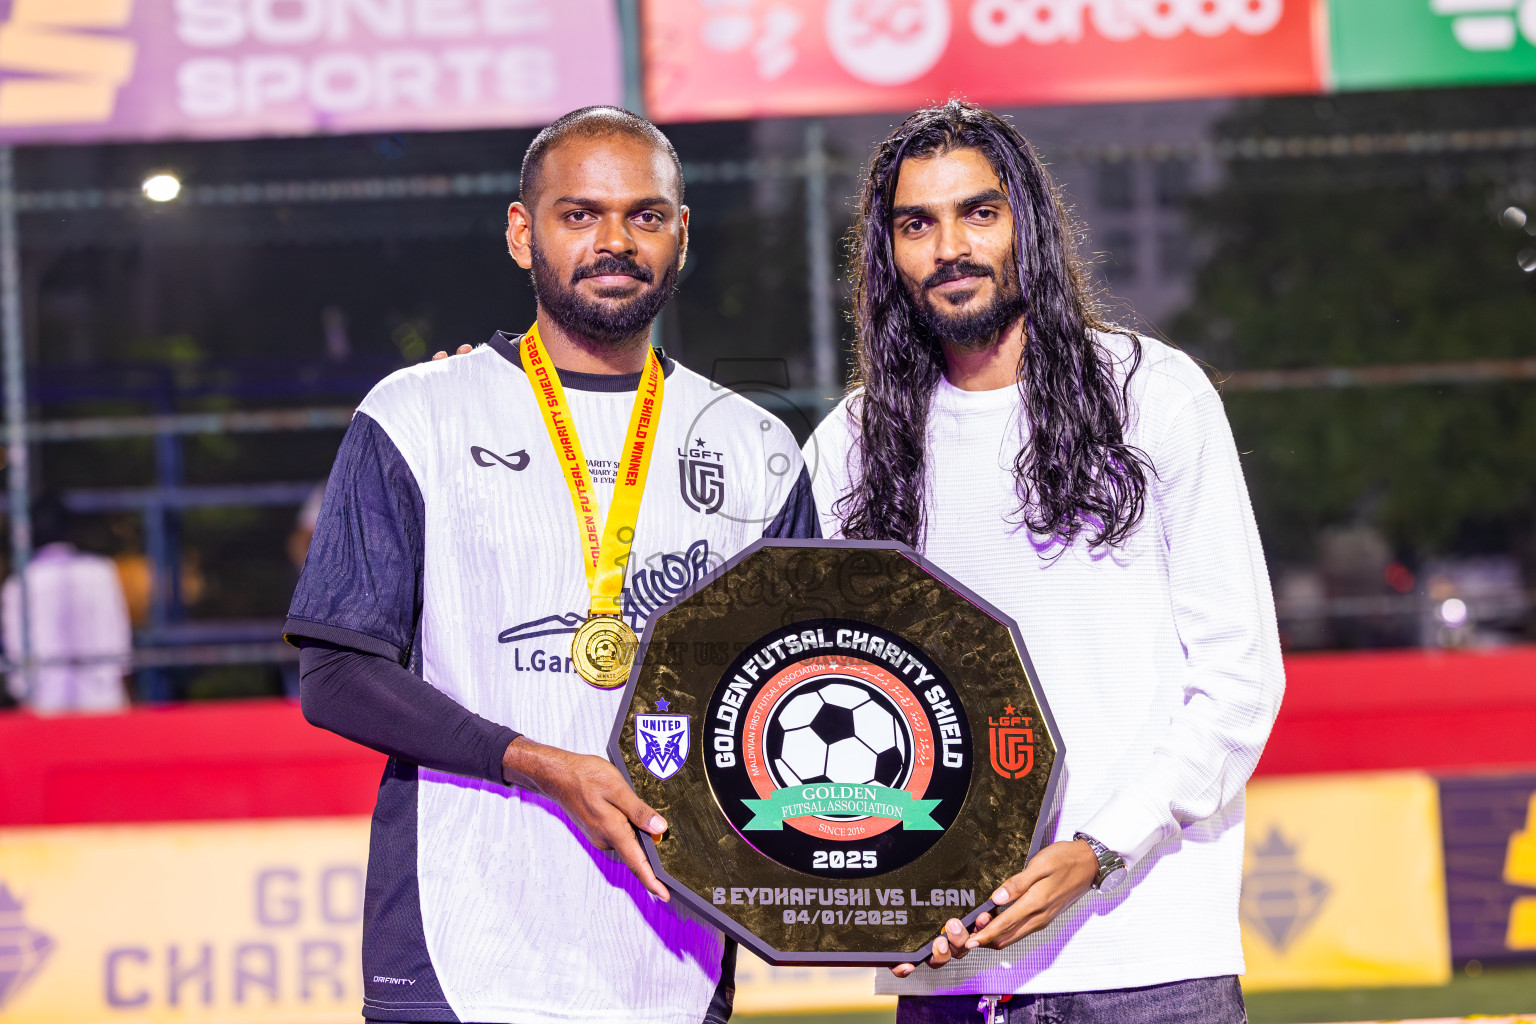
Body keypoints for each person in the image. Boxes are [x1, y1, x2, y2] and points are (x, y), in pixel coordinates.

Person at [284, 106, 818, 1024]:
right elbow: (336, 675)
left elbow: (803, 688)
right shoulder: (421, 414)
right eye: (580, 215)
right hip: (461, 954)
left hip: (670, 959)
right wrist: (537, 763)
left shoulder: (754, 443)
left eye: (645, 216)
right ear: (522, 232)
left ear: (680, 236)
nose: (614, 240)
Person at [803, 101, 1283, 1023]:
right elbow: (813, 675)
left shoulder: (1154, 395)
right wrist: (876, 885)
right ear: (887, 252)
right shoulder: (851, 446)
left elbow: (1239, 682)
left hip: (1147, 961)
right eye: (917, 223)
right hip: (950, 974)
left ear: (1029, 219)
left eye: (979, 212)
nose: (951, 246)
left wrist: (1098, 848)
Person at [2, 494, 132, 714]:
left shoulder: (19, 585)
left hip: (45, 703)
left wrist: (24, 692)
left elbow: (16, 653)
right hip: (102, 699)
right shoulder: (101, 572)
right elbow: (119, 637)